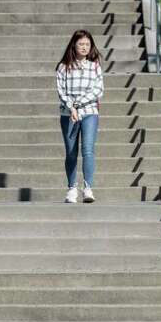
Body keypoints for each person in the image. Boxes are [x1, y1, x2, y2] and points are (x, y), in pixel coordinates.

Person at [55, 30, 105, 204]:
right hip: (68, 114)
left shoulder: (95, 66)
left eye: (87, 44)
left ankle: (88, 188)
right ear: (74, 45)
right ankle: (71, 188)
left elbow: (98, 90)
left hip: (89, 112)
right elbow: (61, 91)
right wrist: (71, 107)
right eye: (81, 44)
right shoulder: (63, 67)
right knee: (71, 152)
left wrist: (78, 104)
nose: (84, 47)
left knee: (88, 150)